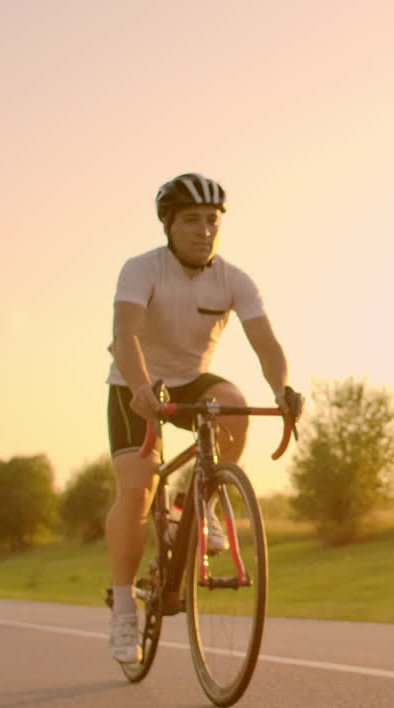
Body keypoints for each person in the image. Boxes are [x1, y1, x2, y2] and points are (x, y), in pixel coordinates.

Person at [105, 172, 294, 664]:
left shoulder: (234, 279)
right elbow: (125, 335)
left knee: (234, 409)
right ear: (169, 225)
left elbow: (266, 343)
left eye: (212, 221)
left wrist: (282, 390)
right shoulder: (141, 269)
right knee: (136, 488)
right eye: (192, 221)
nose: (204, 230)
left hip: (190, 379)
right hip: (135, 381)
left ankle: (199, 504)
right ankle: (124, 606)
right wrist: (142, 389)